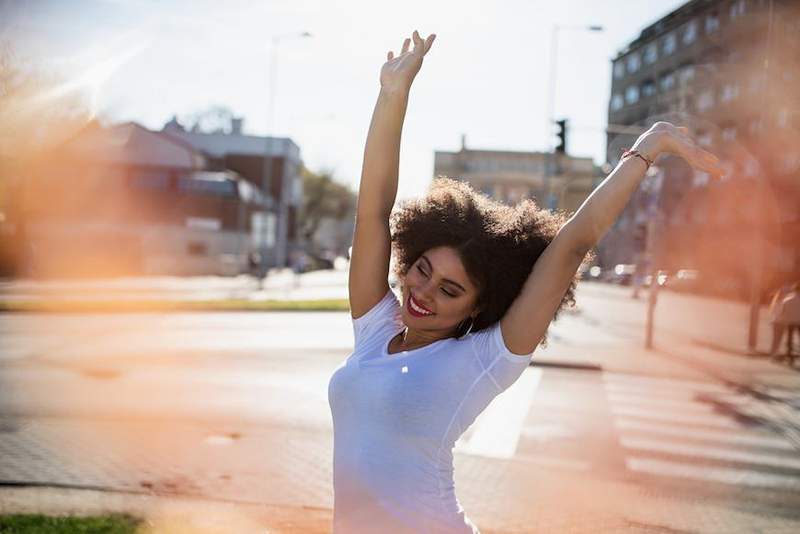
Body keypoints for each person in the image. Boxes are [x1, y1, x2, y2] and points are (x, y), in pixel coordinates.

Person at [327, 30, 724, 533]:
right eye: (422, 270)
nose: (423, 291)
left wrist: (648, 147)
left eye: (450, 290)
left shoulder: (483, 359)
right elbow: (373, 213)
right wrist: (392, 96)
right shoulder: (375, 330)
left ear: (478, 306)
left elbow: (571, 247)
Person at [769, 280, 799, 357]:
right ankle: (775, 353)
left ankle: (787, 351)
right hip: (795, 321)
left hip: (787, 321)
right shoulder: (784, 300)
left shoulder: (786, 300)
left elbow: (782, 311)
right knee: (778, 338)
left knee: (785, 338)